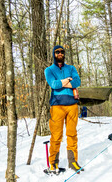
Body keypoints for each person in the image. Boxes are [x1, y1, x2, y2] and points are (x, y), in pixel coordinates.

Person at [44, 45, 83, 173]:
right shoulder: (49, 70)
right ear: (54, 54)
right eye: (57, 52)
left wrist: (63, 83)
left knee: (72, 134)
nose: (60, 53)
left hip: (72, 105)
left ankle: (73, 162)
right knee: (56, 136)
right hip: (57, 106)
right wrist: (67, 80)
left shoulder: (71, 68)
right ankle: (53, 164)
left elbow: (77, 82)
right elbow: (53, 85)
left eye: (62, 52)